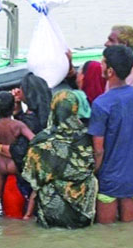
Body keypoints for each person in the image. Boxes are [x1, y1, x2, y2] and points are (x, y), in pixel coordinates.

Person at [89, 45, 133, 224]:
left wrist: (93, 172)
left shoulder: (101, 104)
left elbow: (98, 150)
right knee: (129, 232)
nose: (100, 64)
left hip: (110, 178)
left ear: (110, 71)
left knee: (106, 236)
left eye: (103, 62)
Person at [21, 90, 98, 228]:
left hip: (51, 211)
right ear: (76, 108)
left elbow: (33, 178)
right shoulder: (89, 137)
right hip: (82, 210)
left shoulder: (41, 141)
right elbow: (94, 163)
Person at [0, 72, 52, 215]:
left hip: (3, 165)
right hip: (19, 169)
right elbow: (31, 138)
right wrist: (18, 110)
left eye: (22, 89)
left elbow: (21, 150)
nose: (19, 91)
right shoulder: (40, 118)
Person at [0, 91, 35, 221]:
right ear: (14, 107)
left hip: (1, 164)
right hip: (14, 164)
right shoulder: (18, 125)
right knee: (30, 191)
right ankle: (27, 215)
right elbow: (33, 139)